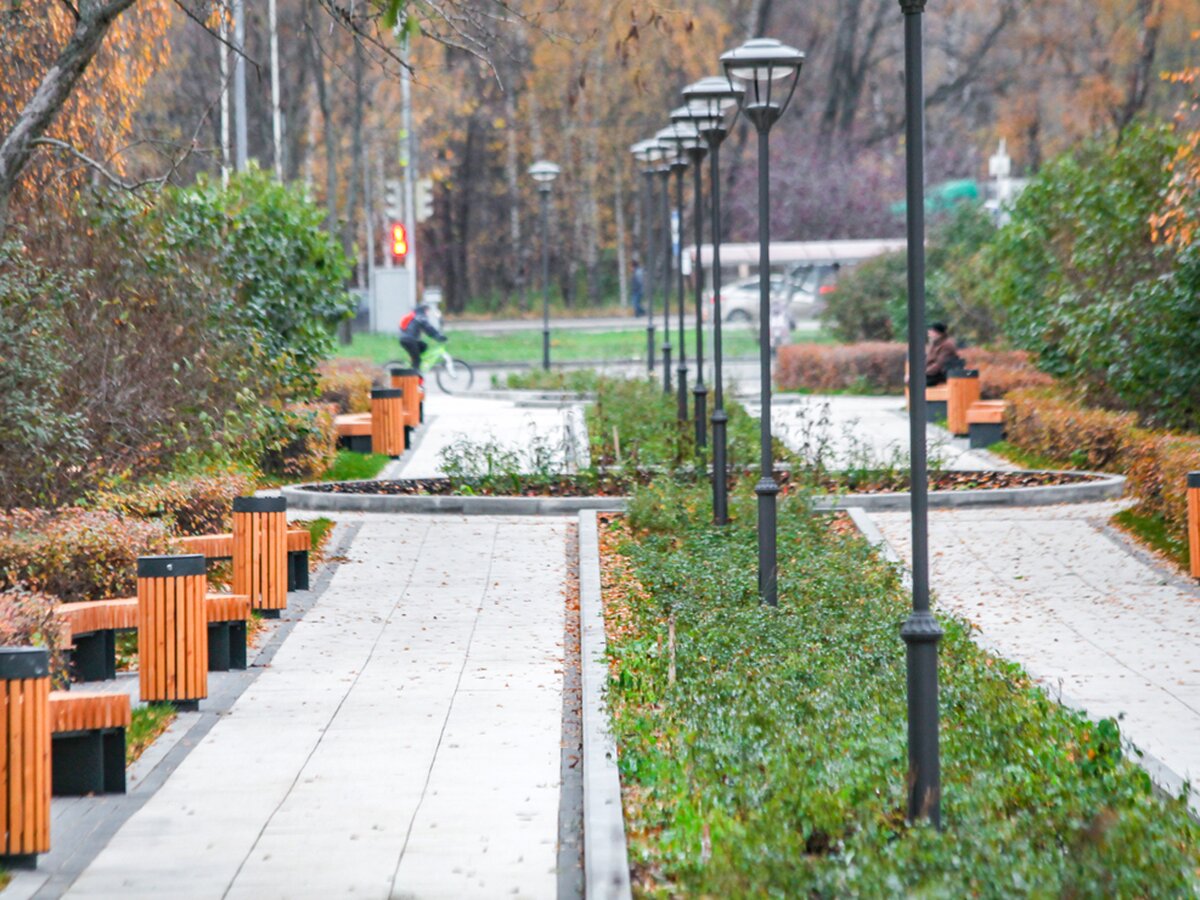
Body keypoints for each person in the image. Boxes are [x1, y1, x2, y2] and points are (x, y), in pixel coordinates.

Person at [399, 303, 447, 369]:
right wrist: (437, 336)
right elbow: (428, 328)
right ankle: (415, 374)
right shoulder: (421, 317)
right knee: (417, 361)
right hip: (409, 340)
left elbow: (427, 329)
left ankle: (413, 360)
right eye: (427, 310)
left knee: (424, 346)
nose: (428, 312)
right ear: (424, 309)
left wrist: (435, 335)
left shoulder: (416, 316)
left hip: (407, 339)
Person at [925, 321, 961, 386]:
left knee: (918, 382)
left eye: (931, 331)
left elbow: (939, 365)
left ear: (938, 333)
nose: (928, 333)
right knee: (914, 380)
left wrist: (922, 373)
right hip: (932, 374)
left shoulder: (947, 345)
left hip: (942, 374)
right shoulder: (934, 343)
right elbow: (927, 361)